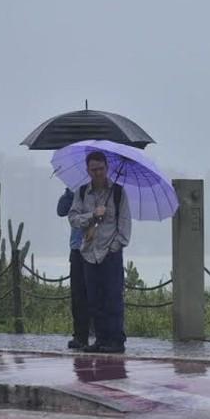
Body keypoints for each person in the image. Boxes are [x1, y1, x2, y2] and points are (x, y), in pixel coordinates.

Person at [68, 150, 131, 353]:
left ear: (107, 168)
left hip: (110, 253)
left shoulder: (119, 193)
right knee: (93, 300)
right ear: (88, 170)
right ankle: (101, 339)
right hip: (88, 252)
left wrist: (115, 246)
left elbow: (124, 225)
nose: (98, 173)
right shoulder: (81, 192)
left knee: (113, 298)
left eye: (101, 169)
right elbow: (73, 218)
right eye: (93, 169)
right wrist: (92, 215)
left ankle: (116, 340)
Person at [57, 187, 90, 350]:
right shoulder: (76, 190)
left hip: (98, 248)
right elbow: (61, 210)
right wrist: (71, 193)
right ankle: (80, 336)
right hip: (77, 248)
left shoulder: (106, 192)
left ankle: (101, 335)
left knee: (98, 295)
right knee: (78, 296)